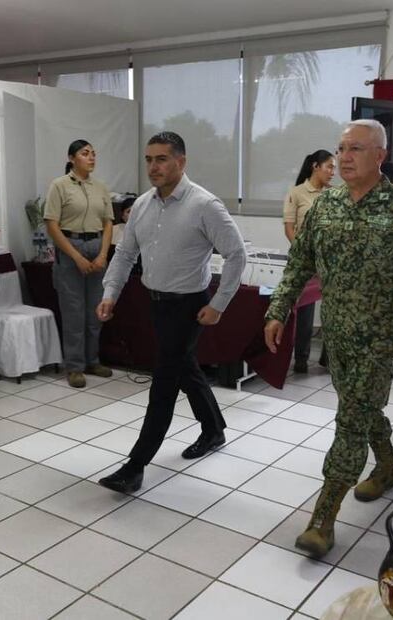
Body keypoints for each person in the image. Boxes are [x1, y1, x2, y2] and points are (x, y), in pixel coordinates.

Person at [263, 120, 393, 559]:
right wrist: (278, 309)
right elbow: (299, 262)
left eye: (356, 149)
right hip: (339, 339)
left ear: (379, 156)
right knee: (361, 410)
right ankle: (386, 467)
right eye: (341, 149)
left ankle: (323, 517)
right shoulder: (325, 206)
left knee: (349, 423)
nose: (344, 157)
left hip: (378, 342)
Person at [96, 131, 247, 494]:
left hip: (189, 306)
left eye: (161, 159)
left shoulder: (204, 205)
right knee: (185, 368)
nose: (153, 167)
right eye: (148, 159)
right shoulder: (144, 205)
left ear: (181, 161)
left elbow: (236, 254)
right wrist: (110, 292)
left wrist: (218, 305)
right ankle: (213, 429)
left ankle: (135, 466)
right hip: (157, 303)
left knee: (163, 383)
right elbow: (125, 253)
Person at [44, 139, 115, 388]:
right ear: (72, 158)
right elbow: (52, 224)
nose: (92, 158)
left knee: (96, 311)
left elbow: (108, 223)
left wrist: (103, 254)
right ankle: (74, 366)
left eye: (94, 154)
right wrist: (76, 257)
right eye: (85, 154)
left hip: (97, 248)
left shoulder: (100, 187)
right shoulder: (59, 185)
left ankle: (92, 360)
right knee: (74, 312)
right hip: (70, 249)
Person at [283, 149, 335, 373]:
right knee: (304, 311)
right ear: (315, 166)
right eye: (329, 167)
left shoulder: (336, 194)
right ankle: (301, 359)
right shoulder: (297, 193)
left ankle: (329, 359)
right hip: (305, 262)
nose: (333, 172)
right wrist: (305, 254)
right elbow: (290, 228)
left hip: (332, 262)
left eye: (334, 167)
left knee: (333, 310)